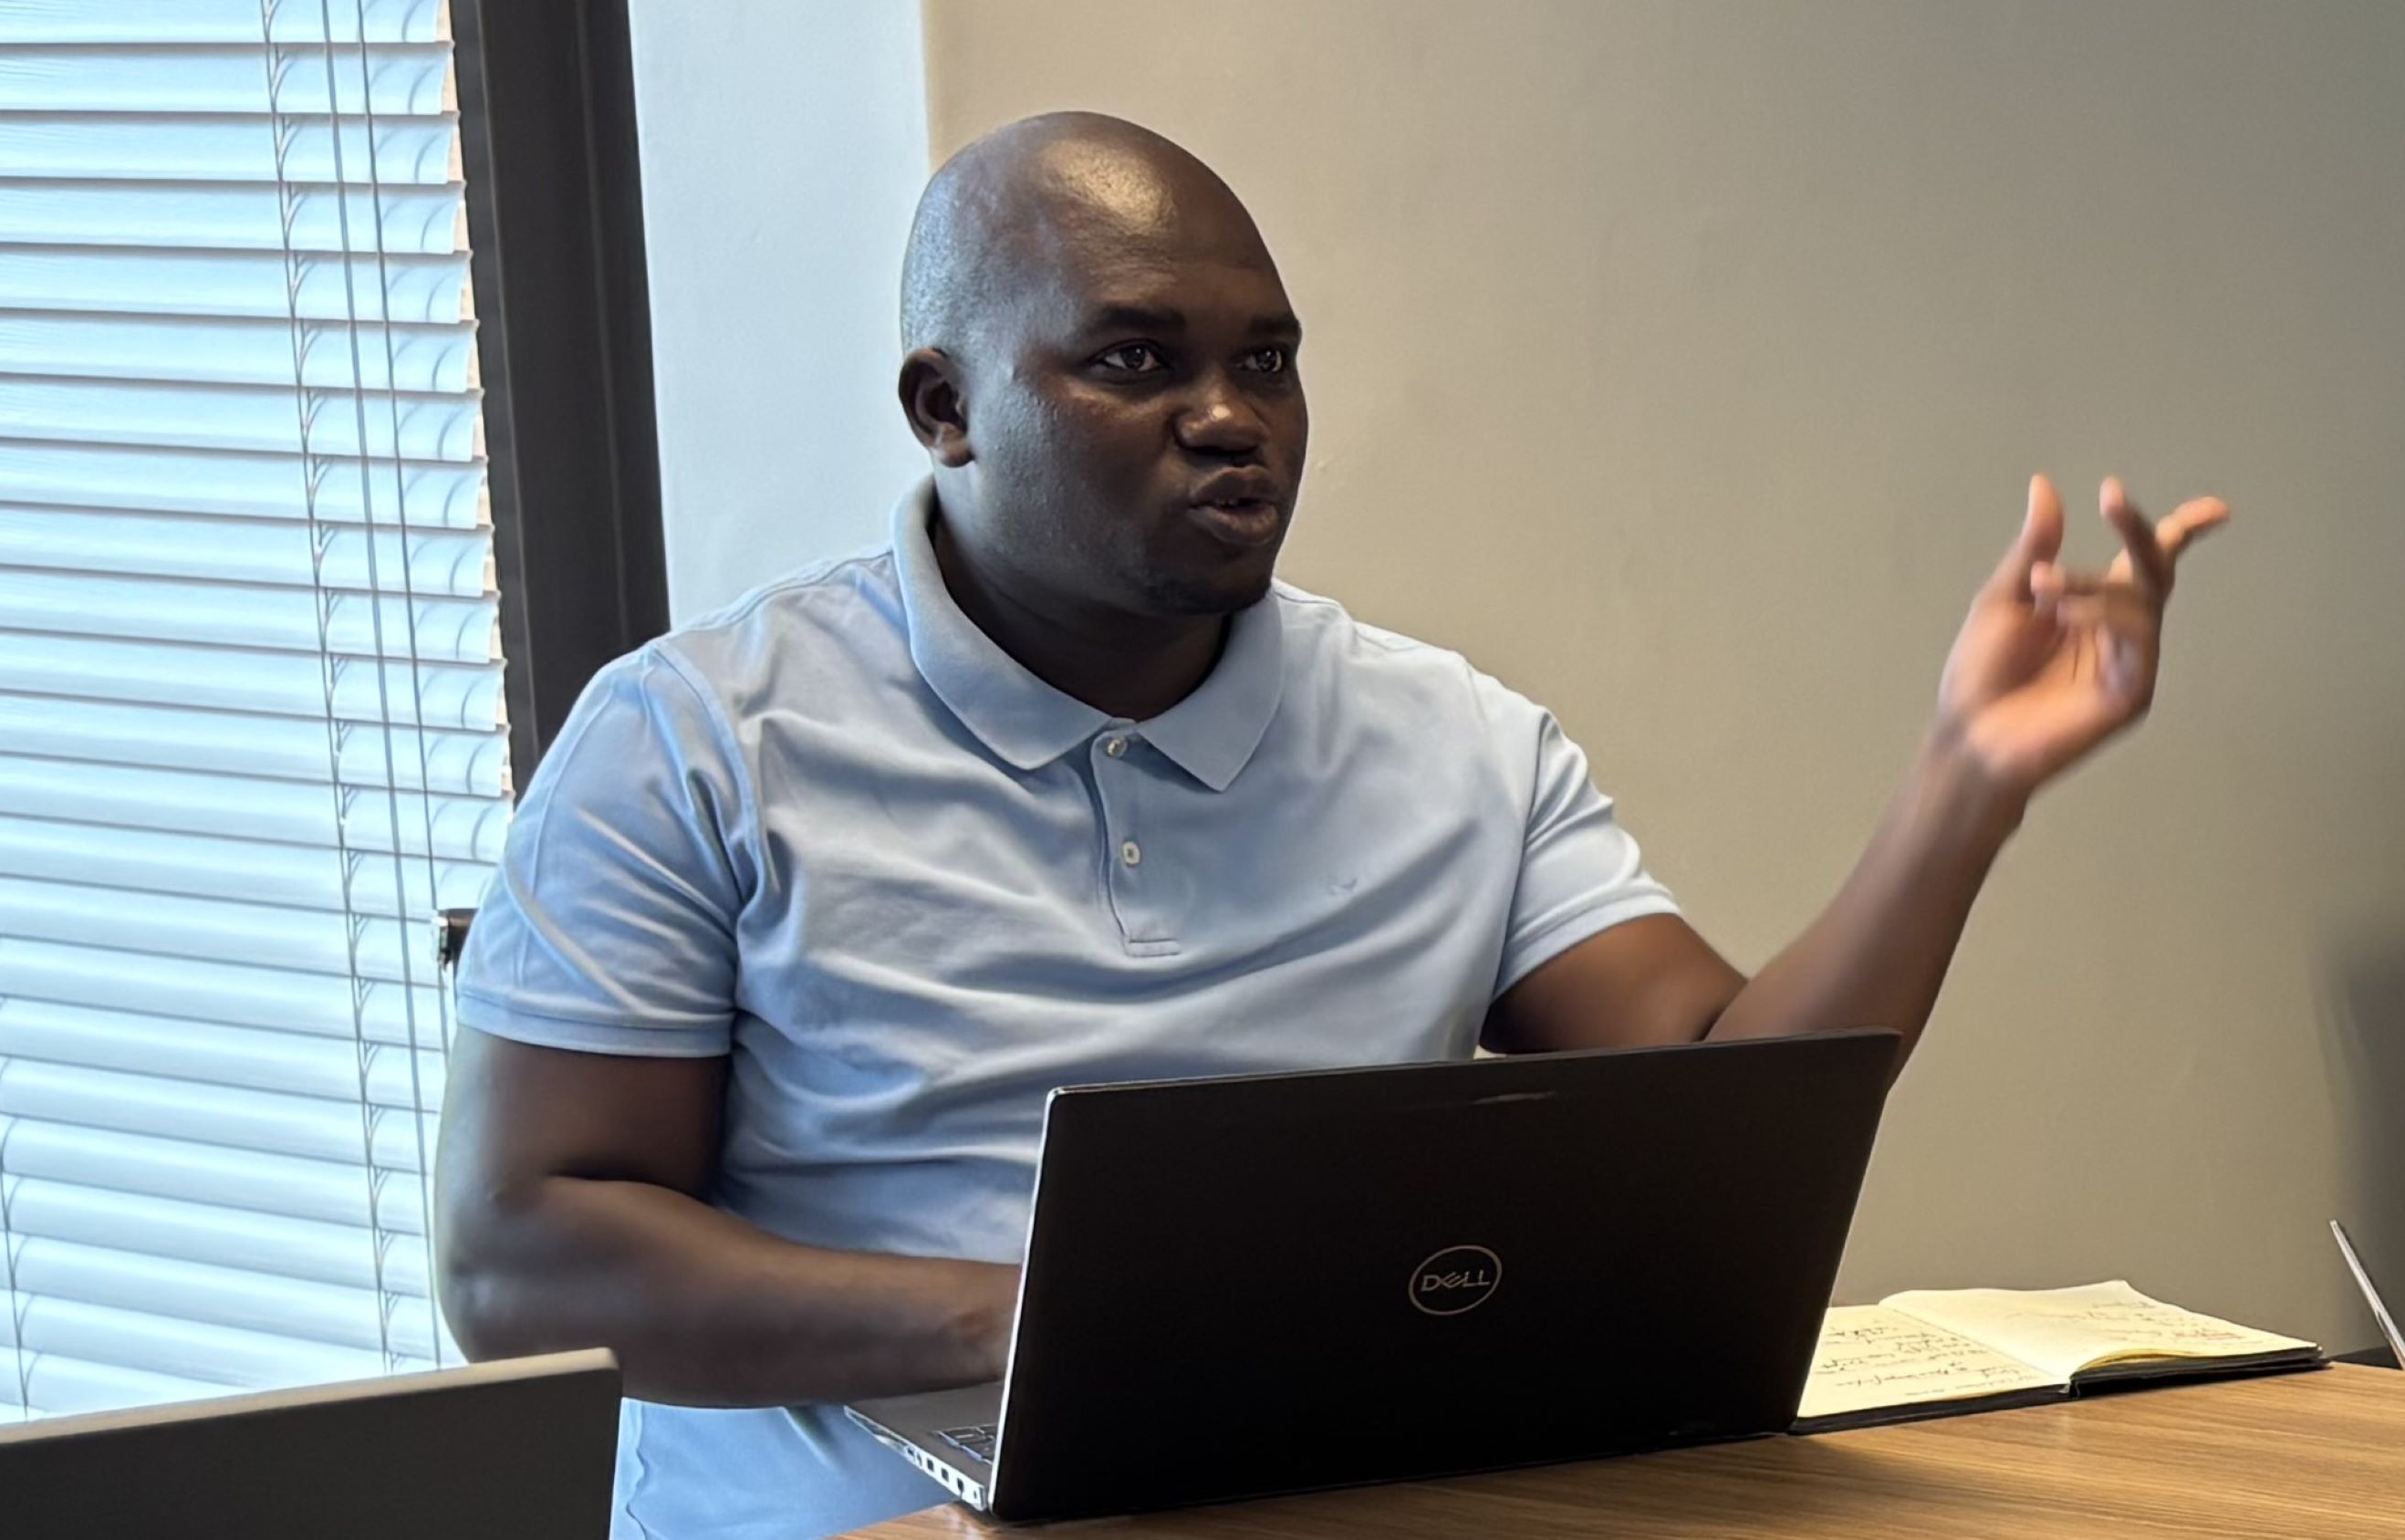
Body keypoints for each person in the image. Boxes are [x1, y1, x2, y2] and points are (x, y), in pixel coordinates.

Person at [432, 111, 2228, 1540]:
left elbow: (1721, 1087)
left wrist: (1963, 787)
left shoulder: (1453, 738)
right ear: (944, 411)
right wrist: (1044, 1326)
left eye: (1269, 361)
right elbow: (523, 1252)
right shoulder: (689, 743)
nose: (1232, 422)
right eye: (1136, 362)